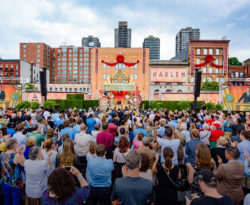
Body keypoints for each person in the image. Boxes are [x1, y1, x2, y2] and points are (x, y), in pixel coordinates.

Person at [0, 138, 25, 205]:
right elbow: (24, 164)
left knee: (7, 200)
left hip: (5, 181)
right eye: (17, 143)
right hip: (15, 183)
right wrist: (20, 153)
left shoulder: (2, 154)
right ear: (15, 145)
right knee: (16, 201)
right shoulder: (16, 155)